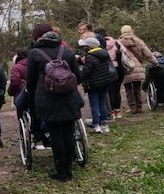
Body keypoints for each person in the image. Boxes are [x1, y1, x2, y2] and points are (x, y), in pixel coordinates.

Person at [27, 25, 82, 182]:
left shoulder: (34, 53)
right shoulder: (66, 51)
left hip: (47, 98)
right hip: (69, 97)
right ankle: (69, 169)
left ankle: (61, 172)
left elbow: (30, 82)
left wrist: (33, 92)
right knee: (68, 132)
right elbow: (77, 75)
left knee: (56, 134)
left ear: (37, 37)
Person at [118, 25, 158, 114]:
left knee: (128, 89)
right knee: (137, 88)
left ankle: (132, 108)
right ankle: (139, 107)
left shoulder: (118, 43)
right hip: (138, 68)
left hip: (126, 68)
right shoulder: (139, 41)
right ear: (131, 31)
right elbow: (148, 54)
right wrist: (155, 63)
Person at [78, 37, 112, 133]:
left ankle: (96, 125)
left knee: (94, 105)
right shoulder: (104, 54)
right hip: (105, 82)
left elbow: (87, 72)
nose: (84, 48)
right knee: (102, 103)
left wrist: (79, 76)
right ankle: (105, 124)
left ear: (89, 47)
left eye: (85, 46)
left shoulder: (90, 56)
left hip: (93, 84)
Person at [95, 27, 124, 119]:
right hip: (118, 68)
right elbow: (124, 52)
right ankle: (118, 111)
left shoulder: (99, 45)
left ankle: (111, 112)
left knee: (109, 91)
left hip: (107, 68)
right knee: (117, 90)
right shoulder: (116, 42)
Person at [8, 49, 28, 120]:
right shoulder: (33, 63)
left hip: (21, 95)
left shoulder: (16, 67)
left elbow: (14, 82)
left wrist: (10, 92)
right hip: (34, 94)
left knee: (21, 116)